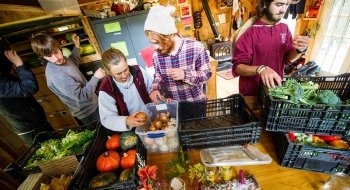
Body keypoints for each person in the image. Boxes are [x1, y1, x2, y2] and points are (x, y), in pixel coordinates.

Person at [232, 0, 310, 96]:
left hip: (276, 91)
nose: (283, 10)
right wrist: (261, 69)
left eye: (287, 4)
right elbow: (238, 67)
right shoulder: (249, 33)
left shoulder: (284, 29)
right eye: (279, 4)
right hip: (252, 94)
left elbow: (288, 59)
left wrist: (300, 50)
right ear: (265, 4)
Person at [31, 34, 106, 125]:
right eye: (49, 56)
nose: (55, 58)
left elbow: (72, 62)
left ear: (59, 48)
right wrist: (96, 78)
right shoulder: (56, 75)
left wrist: (76, 46)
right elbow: (81, 97)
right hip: (88, 112)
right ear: (43, 57)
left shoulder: (63, 60)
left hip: (94, 103)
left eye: (56, 52)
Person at [144, 5, 212, 102]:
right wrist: (154, 89)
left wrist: (185, 75)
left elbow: (207, 74)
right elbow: (158, 76)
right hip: (174, 106)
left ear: (170, 34)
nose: (156, 47)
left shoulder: (195, 47)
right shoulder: (156, 55)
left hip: (196, 103)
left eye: (158, 42)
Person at [0, 49, 53, 145]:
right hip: (32, 130)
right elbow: (29, 87)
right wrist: (19, 64)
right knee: (56, 154)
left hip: (36, 123)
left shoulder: (4, 76)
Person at [99, 48, 153, 131]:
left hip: (152, 119)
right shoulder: (106, 89)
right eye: (118, 73)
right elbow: (107, 118)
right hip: (133, 130)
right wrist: (126, 120)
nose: (124, 76)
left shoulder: (139, 71)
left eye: (125, 70)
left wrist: (154, 91)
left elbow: (152, 87)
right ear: (109, 72)